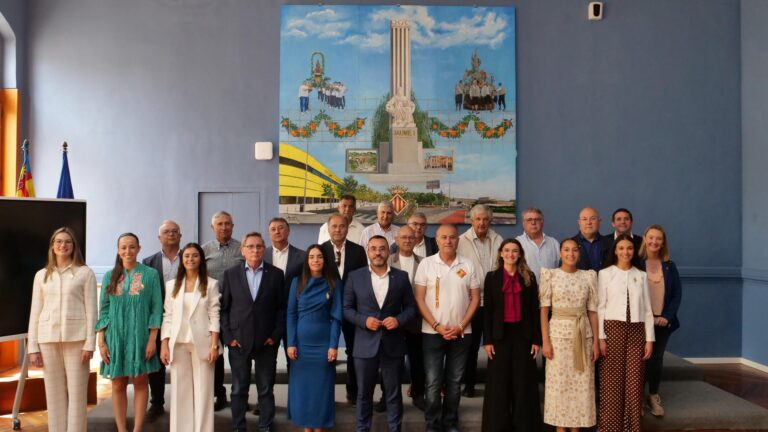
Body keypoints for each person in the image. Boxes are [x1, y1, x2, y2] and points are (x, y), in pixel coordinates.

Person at [344, 235, 417, 432]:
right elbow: (347, 309)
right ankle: (362, 429)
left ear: (388, 251)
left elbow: (411, 308)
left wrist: (398, 320)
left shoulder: (401, 277)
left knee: (393, 393)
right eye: (374, 248)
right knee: (363, 394)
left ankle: (395, 429)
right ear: (368, 252)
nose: (378, 252)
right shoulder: (355, 276)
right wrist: (364, 321)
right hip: (364, 345)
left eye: (382, 248)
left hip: (393, 345)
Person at [27, 227, 97, 432]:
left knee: (77, 395)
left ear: (74, 246)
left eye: (67, 242)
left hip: (77, 340)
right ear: (52, 246)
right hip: (47, 340)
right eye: (58, 241)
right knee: (54, 395)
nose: (63, 245)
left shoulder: (85, 273)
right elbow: (35, 312)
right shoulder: (41, 276)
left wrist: (89, 343)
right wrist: (33, 347)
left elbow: (92, 311)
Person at [414, 224, 480, 432]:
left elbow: (475, 298)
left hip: (462, 334)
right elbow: (419, 298)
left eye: (452, 237)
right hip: (433, 333)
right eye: (444, 237)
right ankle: (432, 424)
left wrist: (461, 325)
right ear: (437, 240)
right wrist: (436, 325)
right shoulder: (426, 264)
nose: (448, 241)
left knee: (454, 381)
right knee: (433, 382)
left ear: (458, 241)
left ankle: (450, 422)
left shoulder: (468, 264)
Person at [95, 233, 163, 432]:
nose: (128, 251)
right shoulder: (110, 275)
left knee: (141, 381)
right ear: (118, 250)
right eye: (123, 247)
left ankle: (138, 428)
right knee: (118, 384)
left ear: (139, 249)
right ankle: (122, 429)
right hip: (115, 338)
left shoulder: (150, 274)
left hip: (141, 337)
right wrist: (102, 341)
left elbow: (156, 308)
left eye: (132, 247)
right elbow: (104, 309)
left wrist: (152, 340)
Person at [220, 232, 286, 432]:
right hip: (238, 343)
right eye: (250, 246)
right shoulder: (231, 274)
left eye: (259, 246)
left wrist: (275, 336)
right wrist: (229, 338)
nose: (255, 250)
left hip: (267, 343)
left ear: (263, 248)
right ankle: (239, 427)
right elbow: (224, 309)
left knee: (266, 390)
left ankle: (265, 426)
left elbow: (281, 309)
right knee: (239, 389)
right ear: (243, 250)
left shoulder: (276, 274)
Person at [481, 239, 542, 432]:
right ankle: (498, 426)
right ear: (501, 253)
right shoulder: (491, 278)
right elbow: (488, 311)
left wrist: (536, 339)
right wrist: (487, 340)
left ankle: (524, 426)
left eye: (515, 251)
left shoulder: (529, 277)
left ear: (520, 254)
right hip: (499, 336)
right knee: (499, 385)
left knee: (523, 384)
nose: (510, 254)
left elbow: (534, 310)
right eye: (506, 250)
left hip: (523, 336)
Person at [159, 242, 221, 432]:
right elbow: (167, 316)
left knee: (203, 391)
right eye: (186, 256)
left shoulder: (211, 284)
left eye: (194, 255)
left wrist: (214, 345)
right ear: (181, 259)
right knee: (180, 392)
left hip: (202, 343)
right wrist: (164, 344)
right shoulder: (172, 286)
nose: (190, 259)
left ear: (201, 259)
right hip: (178, 343)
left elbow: (214, 315)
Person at [539, 238, 599, 431]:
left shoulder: (588, 276)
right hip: (558, 337)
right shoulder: (551, 275)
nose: (570, 254)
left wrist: (596, 341)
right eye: (566, 250)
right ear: (560, 253)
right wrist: (545, 341)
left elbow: (592, 311)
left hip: (583, 336)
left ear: (579, 254)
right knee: (559, 384)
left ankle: (576, 427)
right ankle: (560, 428)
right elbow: (544, 311)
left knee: (581, 384)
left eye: (574, 250)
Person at [598, 234, 655, 432]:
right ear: (615, 250)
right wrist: (601, 337)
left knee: (634, 381)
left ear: (634, 251)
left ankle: (631, 427)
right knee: (612, 381)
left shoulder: (641, 275)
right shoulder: (605, 274)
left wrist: (649, 339)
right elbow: (600, 308)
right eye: (621, 248)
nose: (625, 252)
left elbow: (648, 310)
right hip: (612, 330)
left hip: (637, 331)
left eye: (629, 248)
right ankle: (610, 427)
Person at [286, 244, 343, 431]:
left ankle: (319, 428)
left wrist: (333, 345)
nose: (315, 260)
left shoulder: (334, 283)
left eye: (319, 256)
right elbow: (291, 315)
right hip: (301, 346)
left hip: (324, 345)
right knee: (303, 390)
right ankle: (306, 427)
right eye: (312, 257)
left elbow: (336, 317)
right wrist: (291, 343)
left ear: (325, 260)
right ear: (307, 260)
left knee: (321, 390)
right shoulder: (297, 282)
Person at [321, 213, 368, 403]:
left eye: (342, 226)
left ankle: (353, 390)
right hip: (327, 309)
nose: (338, 230)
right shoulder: (320, 250)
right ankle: (324, 391)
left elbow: (364, 279)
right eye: (334, 226)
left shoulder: (358, 251)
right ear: (328, 228)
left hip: (352, 308)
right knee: (326, 350)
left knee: (353, 350)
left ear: (347, 228)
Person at [457, 204, 502, 397]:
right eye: (478, 219)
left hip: (493, 303)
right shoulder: (461, 241)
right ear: (472, 220)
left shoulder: (498, 239)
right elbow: (457, 267)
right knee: (470, 347)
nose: (482, 223)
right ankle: (469, 384)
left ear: (490, 221)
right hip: (470, 303)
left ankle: (495, 386)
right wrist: (466, 280)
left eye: (485, 219)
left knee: (495, 346)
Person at [201, 210, 244, 411]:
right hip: (211, 310)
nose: (224, 227)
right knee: (215, 354)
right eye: (220, 224)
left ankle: (240, 395)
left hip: (237, 310)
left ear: (233, 226)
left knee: (238, 355)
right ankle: (219, 393)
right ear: (213, 227)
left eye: (228, 223)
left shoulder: (242, 249)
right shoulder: (204, 251)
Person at [639, 224, 682, 417]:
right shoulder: (636, 263)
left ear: (663, 242)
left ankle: (653, 396)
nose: (654, 242)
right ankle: (637, 398)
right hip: (640, 322)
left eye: (659, 238)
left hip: (662, 322)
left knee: (656, 360)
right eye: (651, 237)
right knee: (638, 361)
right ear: (645, 239)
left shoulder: (669, 266)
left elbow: (677, 294)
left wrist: (666, 316)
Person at [142, 219, 182, 416]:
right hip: (158, 317)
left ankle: (183, 403)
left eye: (175, 231)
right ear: (159, 237)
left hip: (183, 317)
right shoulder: (148, 262)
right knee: (156, 363)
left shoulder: (190, 257)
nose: (171, 234)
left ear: (180, 236)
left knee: (182, 360)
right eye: (167, 231)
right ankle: (157, 402)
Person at [389, 226, 426, 410]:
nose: (408, 240)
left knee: (417, 359)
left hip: (417, 319)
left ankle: (419, 394)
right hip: (392, 320)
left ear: (416, 240)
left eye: (411, 237)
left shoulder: (425, 262)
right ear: (396, 239)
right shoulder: (387, 261)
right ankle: (387, 398)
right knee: (390, 362)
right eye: (403, 237)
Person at [516, 207, 560, 282]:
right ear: (523, 223)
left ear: (542, 222)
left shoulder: (554, 243)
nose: (533, 222)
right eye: (529, 220)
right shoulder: (517, 243)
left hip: (550, 290)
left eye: (537, 219)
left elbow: (561, 268)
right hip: (526, 289)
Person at [573, 207, 609, 272]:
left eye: (593, 219)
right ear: (579, 222)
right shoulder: (570, 244)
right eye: (584, 219)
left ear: (599, 222)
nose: (588, 222)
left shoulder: (610, 243)